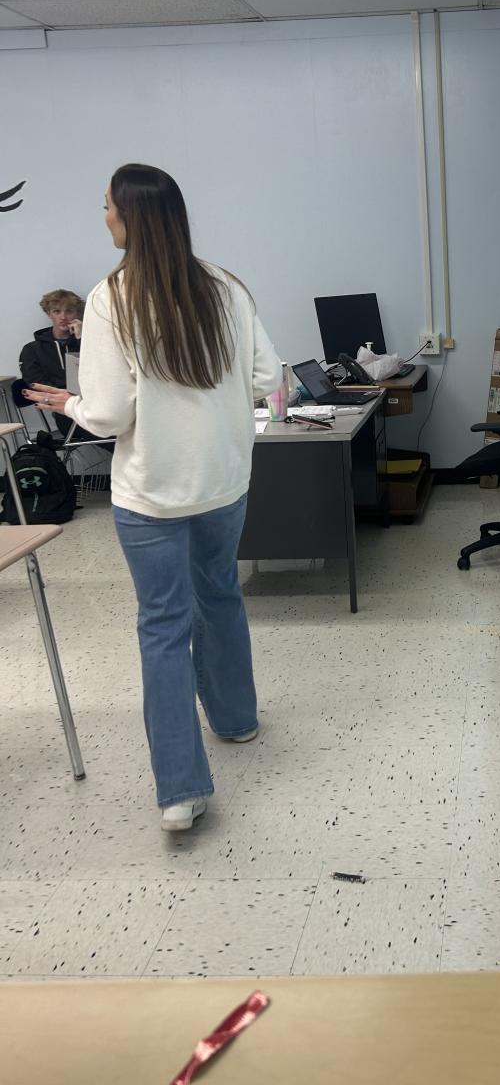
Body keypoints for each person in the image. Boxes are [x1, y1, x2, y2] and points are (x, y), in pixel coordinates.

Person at [25, 163, 282, 832]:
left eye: (107, 205)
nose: (104, 215)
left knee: (164, 625)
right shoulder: (226, 285)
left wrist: (69, 402)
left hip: (152, 494)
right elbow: (267, 376)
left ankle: (181, 793)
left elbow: (109, 414)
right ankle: (237, 720)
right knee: (220, 595)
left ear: (131, 216)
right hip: (224, 482)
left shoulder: (111, 297)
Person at [19, 289, 85, 438]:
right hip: (63, 410)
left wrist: (83, 339)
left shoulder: (87, 343)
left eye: (69, 311)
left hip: (93, 405)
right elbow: (36, 384)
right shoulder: (32, 350)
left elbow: (102, 371)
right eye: (57, 311)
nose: (63, 317)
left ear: (77, 314)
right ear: (49, 314)